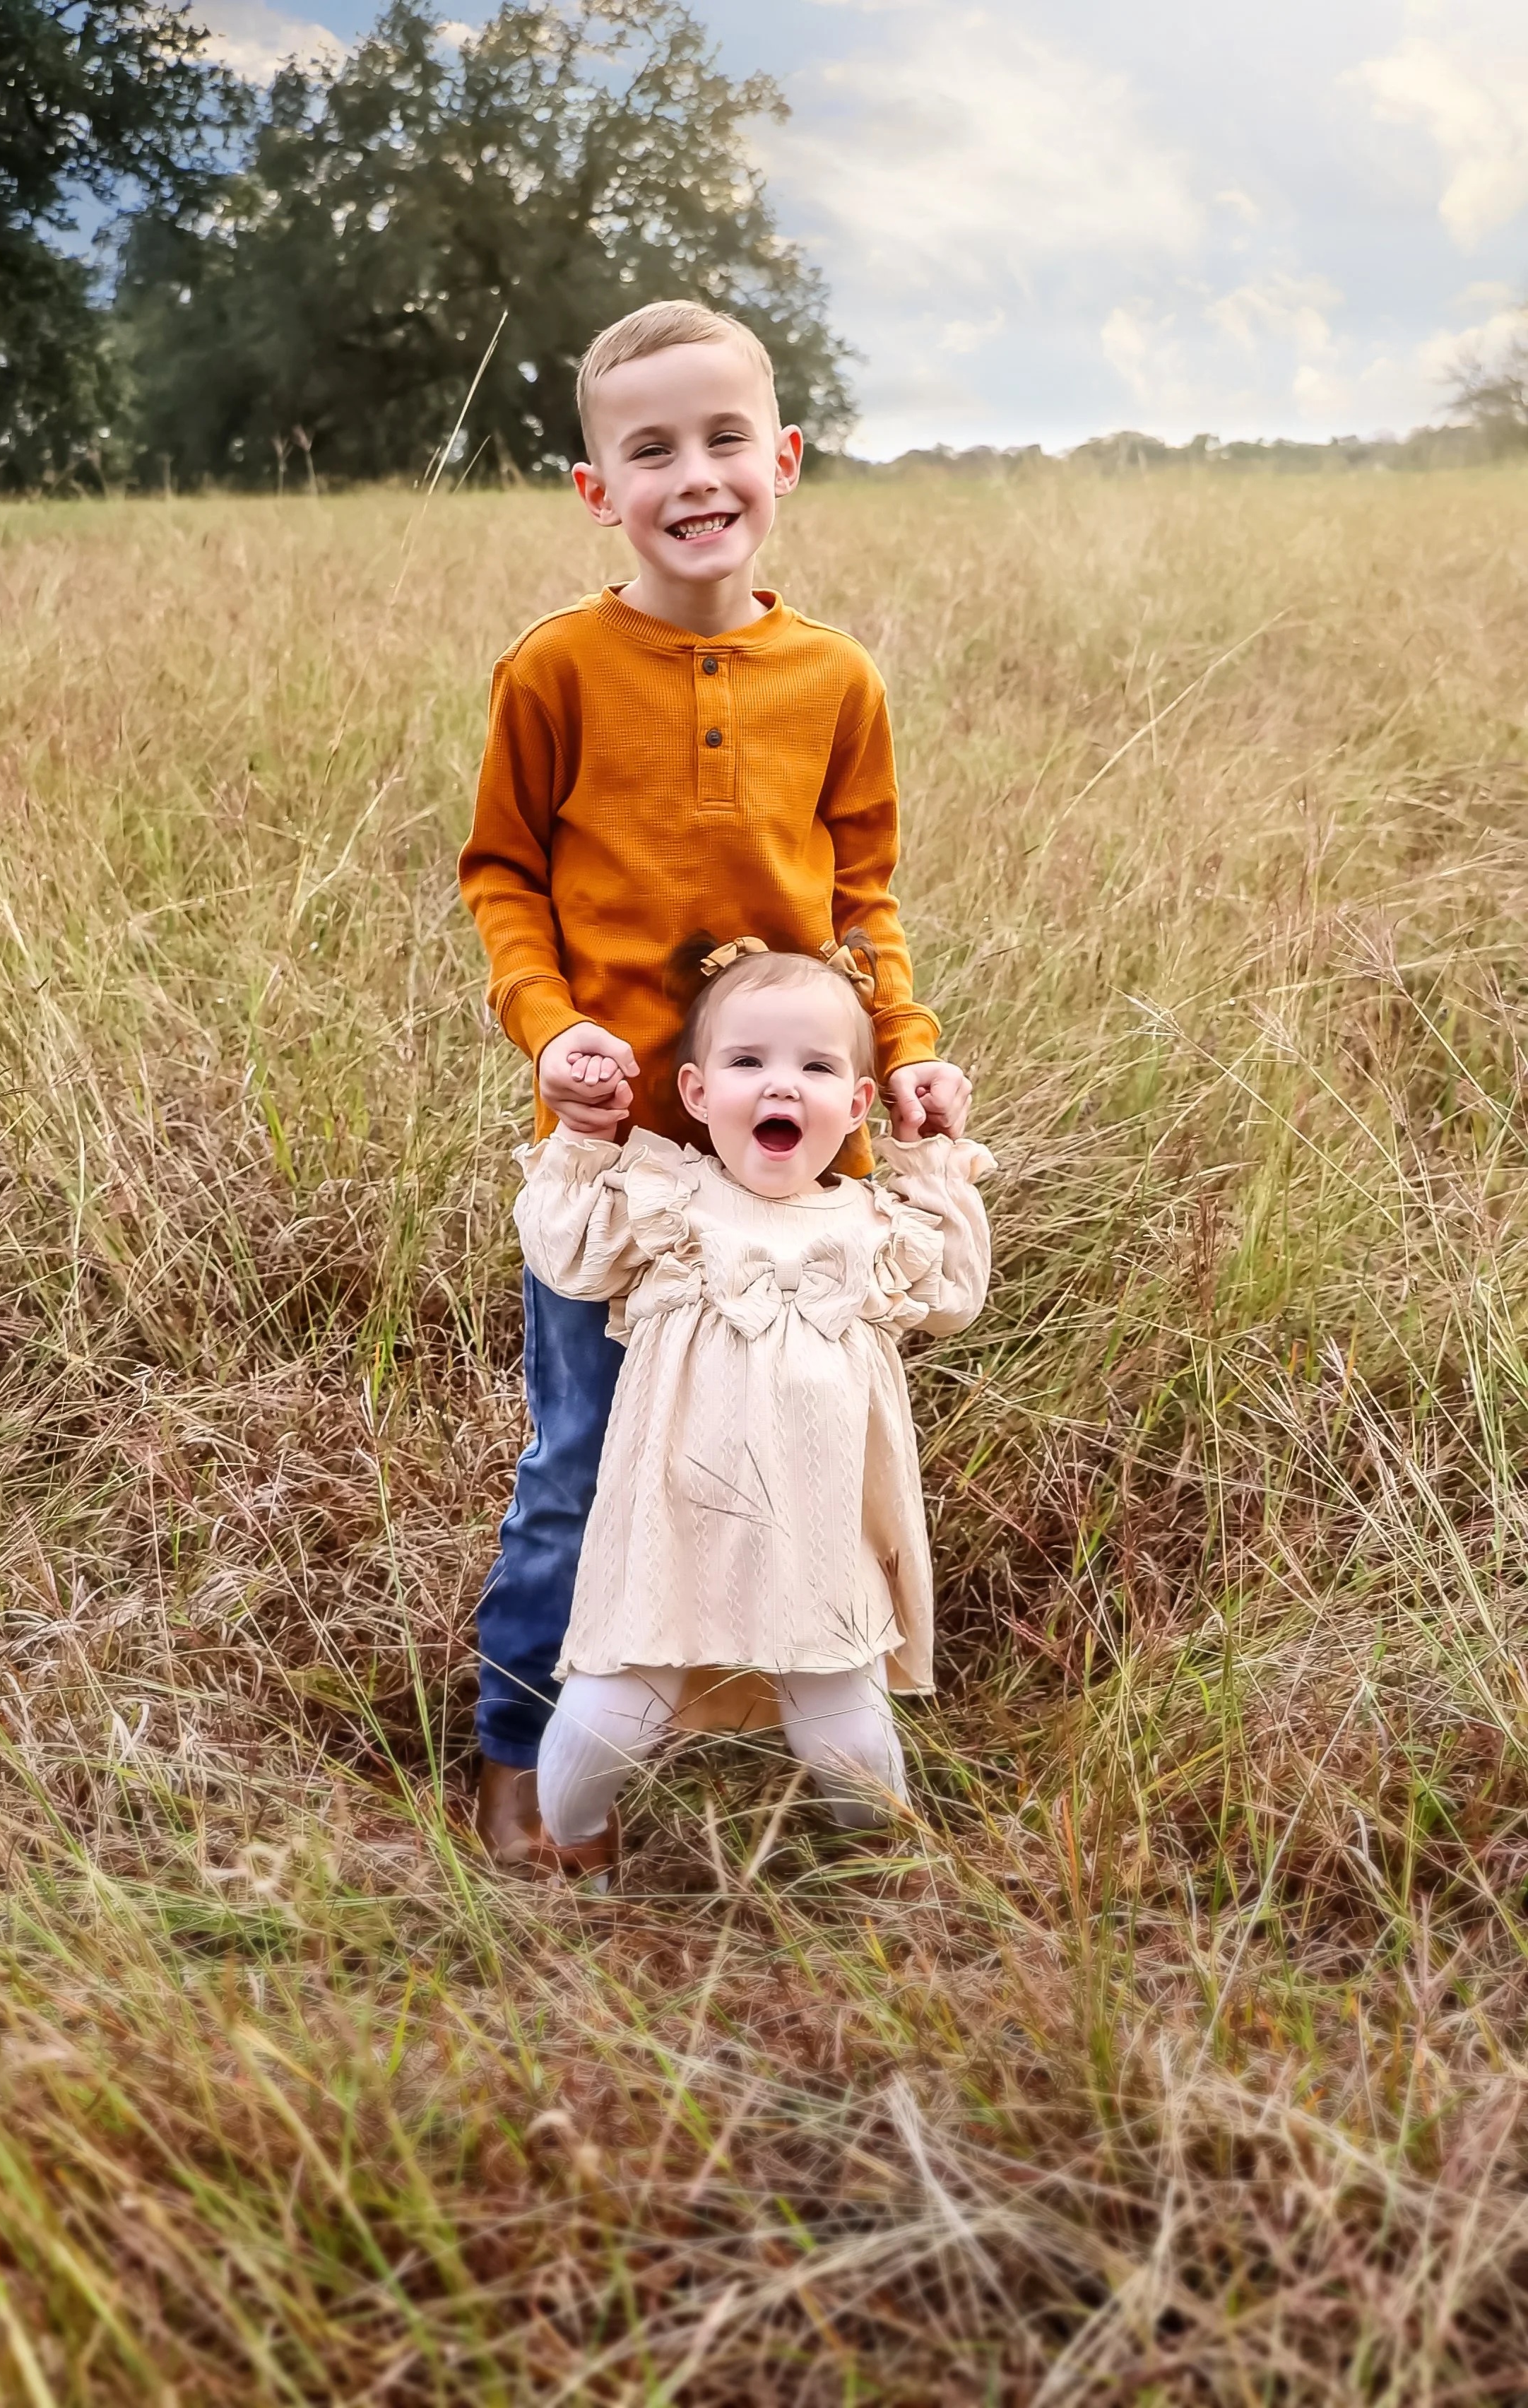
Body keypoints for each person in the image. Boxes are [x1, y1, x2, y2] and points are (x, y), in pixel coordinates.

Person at [458, 297, 973, 1869]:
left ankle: (780, 1700)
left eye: (724, 437)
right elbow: (499, 875)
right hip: (624, 1168)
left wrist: (904, 1053)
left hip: (796, 1159)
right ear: (592, 488)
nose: (695, 474)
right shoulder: (553, 669)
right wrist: (552, 1038)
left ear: (785, 457)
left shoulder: (834, 677)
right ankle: (518, 1744)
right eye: (648, 448)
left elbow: (863, 902)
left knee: (787, 1445)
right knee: (583, 1456)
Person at [519, 940, 994, 1879]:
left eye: (816, 1067)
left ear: (857, 1105)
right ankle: (572, 1853)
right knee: (605, 1720)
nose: (782, 1085)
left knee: (847, 1742)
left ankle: (880, 1876)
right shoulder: (670, 1203)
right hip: (670, 1539)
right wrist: (582, 1140)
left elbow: (955, 1293)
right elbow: (565, 1255)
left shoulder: (870, 1227)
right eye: (749, 1063)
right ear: (695, 1093)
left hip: (821, 1550)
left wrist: (929, 1153)